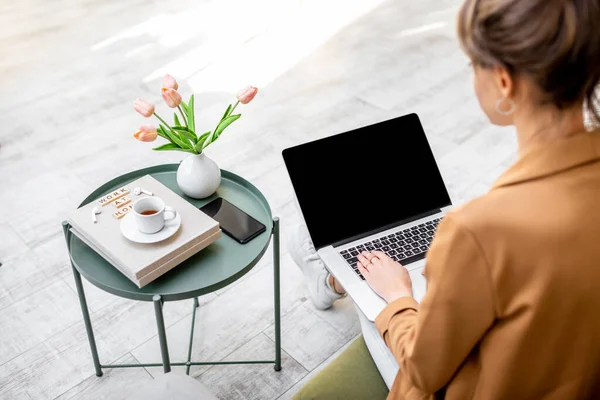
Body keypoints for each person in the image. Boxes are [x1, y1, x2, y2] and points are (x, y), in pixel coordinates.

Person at [289, 0, 600, 398]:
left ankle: (331, 280)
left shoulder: (479, 232)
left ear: (504, 81)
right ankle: (331, 279)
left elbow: (425, 368)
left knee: (379, 305)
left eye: (473, 64)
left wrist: (400, 297)